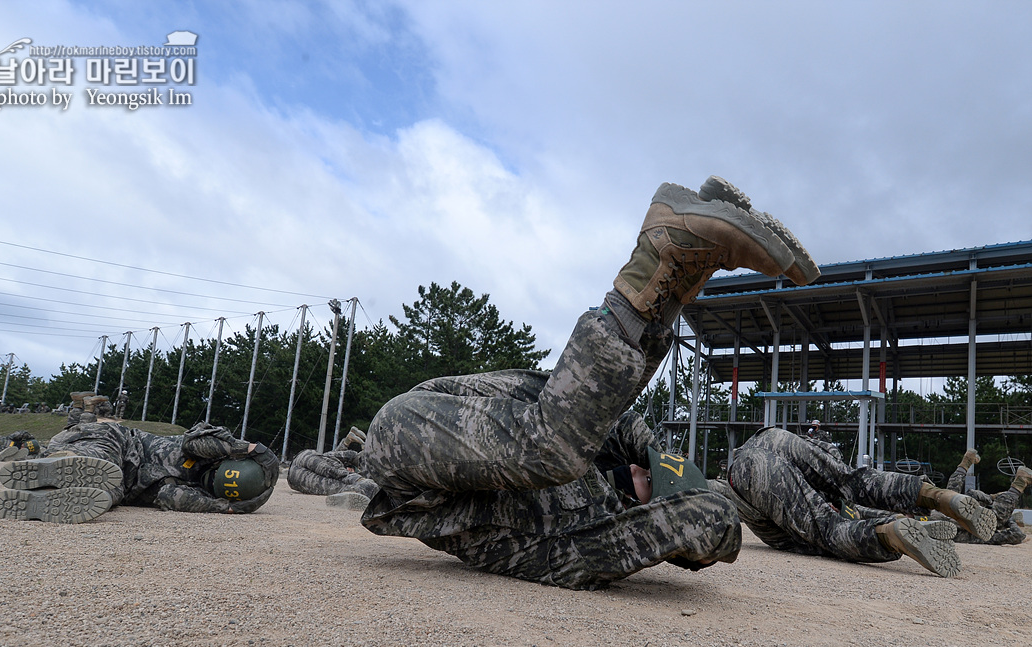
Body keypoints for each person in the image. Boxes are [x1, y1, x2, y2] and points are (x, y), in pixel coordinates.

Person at [351, 175, 821, 590]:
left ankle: (671, 258)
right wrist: (664, 463)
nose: (640, 472)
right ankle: (675, 264)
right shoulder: (610, 456)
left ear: (649, 514)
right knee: (588, 420)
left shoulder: (585, 540)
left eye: (647, 484)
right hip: (453, 412)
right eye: (648, 467)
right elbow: (619, 414)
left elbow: (709, 524)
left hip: (408, 455)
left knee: (558, 447)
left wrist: (689, 518)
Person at [713, 428, 998, 577]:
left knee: (831, 525)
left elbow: (845, 512)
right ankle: (939, 497)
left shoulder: (732, 480)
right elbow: (850, 505)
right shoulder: (816, 482)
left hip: (753, 458)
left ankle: (893, 531)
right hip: (775, 441)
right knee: (851, 483)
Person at [0, 421, 279, 524]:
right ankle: (56, 463)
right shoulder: (203, 448)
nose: (207, 481)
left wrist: (223, 508)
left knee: (104, 494)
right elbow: (195, 438)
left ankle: (39, 497)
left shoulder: (193, 494)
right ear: (225, 463)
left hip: (121, 480)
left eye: (215, 486)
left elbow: (170, 496)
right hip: (115, 441)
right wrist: (242, 447)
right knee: (99, 460)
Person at [935, 450, 1029, 545]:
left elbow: (1016, 535)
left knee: (995, 519)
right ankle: (965, 463)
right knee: (950, 497)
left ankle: (1019, 484)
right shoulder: (981, 534)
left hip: (954, 520)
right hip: (943, 510)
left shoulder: (983, 534)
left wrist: (1009, 521)